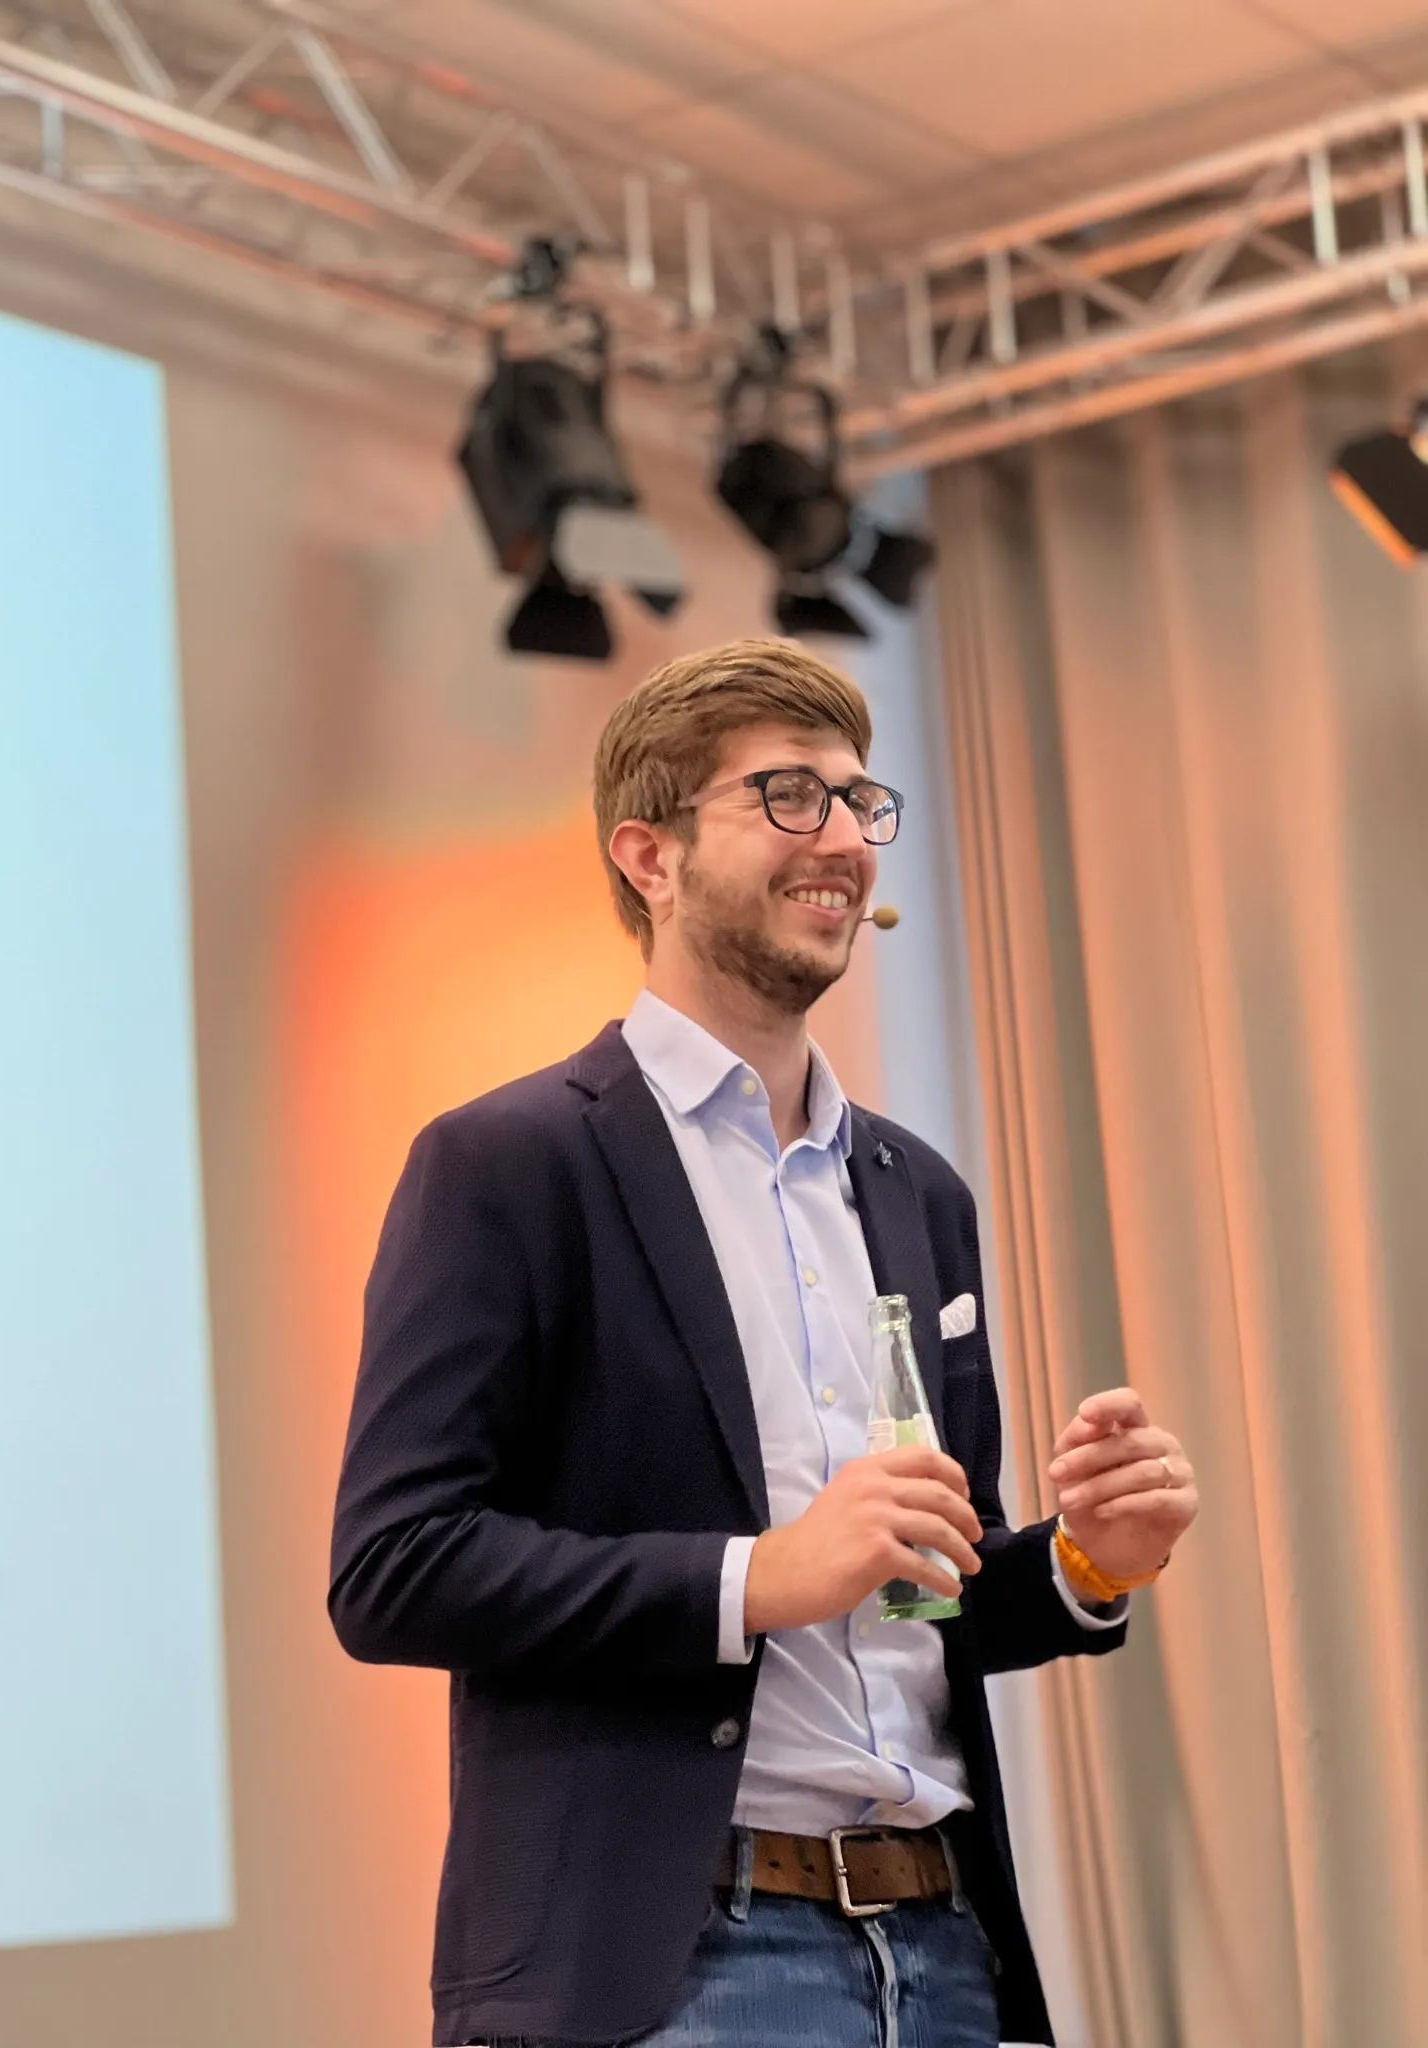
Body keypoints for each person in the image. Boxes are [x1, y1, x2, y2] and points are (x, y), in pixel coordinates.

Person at [330, 638, 1199, 2048]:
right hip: (681, 1966)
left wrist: (1084, 1564)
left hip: (944, 1951)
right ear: (649, 857)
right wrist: (757, 1578)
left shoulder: (920, 1191)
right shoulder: (511, 1164)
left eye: (861, 802)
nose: (843, 837)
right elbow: (394, 1570)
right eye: (789, 794)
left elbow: (920, 1601)